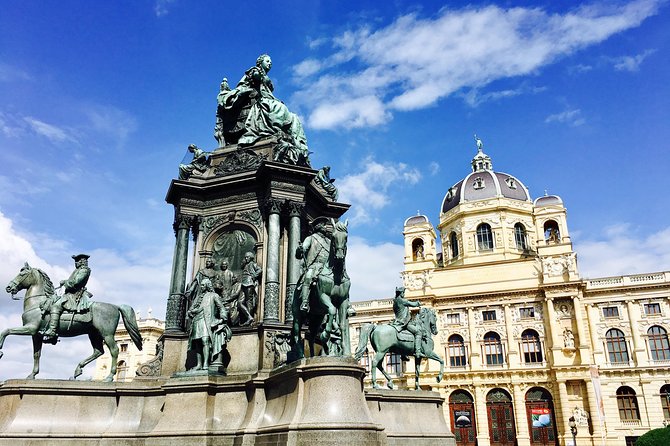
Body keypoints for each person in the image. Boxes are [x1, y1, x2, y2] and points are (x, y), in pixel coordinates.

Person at [219, 54, 309, 158]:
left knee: (294, 117)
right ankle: (275, 129)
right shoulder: (255, 71)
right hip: (259, 101)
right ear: (260, 63)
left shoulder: (264, 76)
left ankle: (297, 143)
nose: (270, 63)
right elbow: (253, 79)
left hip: (267, 99)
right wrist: (260, 76)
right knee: (279, 107)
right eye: (267, 61)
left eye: (271, 62)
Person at [42, 254, 93, 343]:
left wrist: (65, 282)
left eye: (76, 261)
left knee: (56, 306)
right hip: (70, 293)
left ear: (81, 262)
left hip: (74, 295)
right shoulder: (78, 270)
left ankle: (52, 331)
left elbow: (76, 282)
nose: (75, 263)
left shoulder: (84, 270)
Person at [187, 278, 229, 370]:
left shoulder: (213, 295)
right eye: (201, 285)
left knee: (205, 340)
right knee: (197, 342)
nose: (201, 287)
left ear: (207, 285)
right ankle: (199, 364)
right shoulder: (198, 297)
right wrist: (191, 312)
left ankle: (206, 363)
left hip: (207, 320)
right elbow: (191, 309)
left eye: (202, 285)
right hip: (197, 320)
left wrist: (222, 319)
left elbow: (221, 308)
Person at [295, 217, 333, 312]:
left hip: (327, 268)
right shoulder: (311, 238)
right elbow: (302, 250)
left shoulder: (329, 241)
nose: (326, 227)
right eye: (324, 225)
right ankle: (304, 302)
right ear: (318, 226)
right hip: (314, 266)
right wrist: (300, 249)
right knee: (308, 276)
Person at [390, 287, 423, 359]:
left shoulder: (395, 301)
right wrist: (418, 303)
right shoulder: (402, 300)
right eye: (403, 293)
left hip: (396, 322)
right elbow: (412, 304)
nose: (404, 294)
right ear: (401, 293)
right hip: (404, 323)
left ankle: (403, 354)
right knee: (418, 332)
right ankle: (418, 352)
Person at [239, 252, 262, 326]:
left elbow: (260, 270)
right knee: (240, 302)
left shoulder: (253, 264)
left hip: (249, 283)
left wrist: (254, 276)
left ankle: (249, 319)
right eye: (245, 257)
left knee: (249, 301)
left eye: (247, 257)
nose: (246, 258)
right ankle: (249, 317)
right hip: (243, 284)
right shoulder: (245, 265)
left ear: (251, 257)